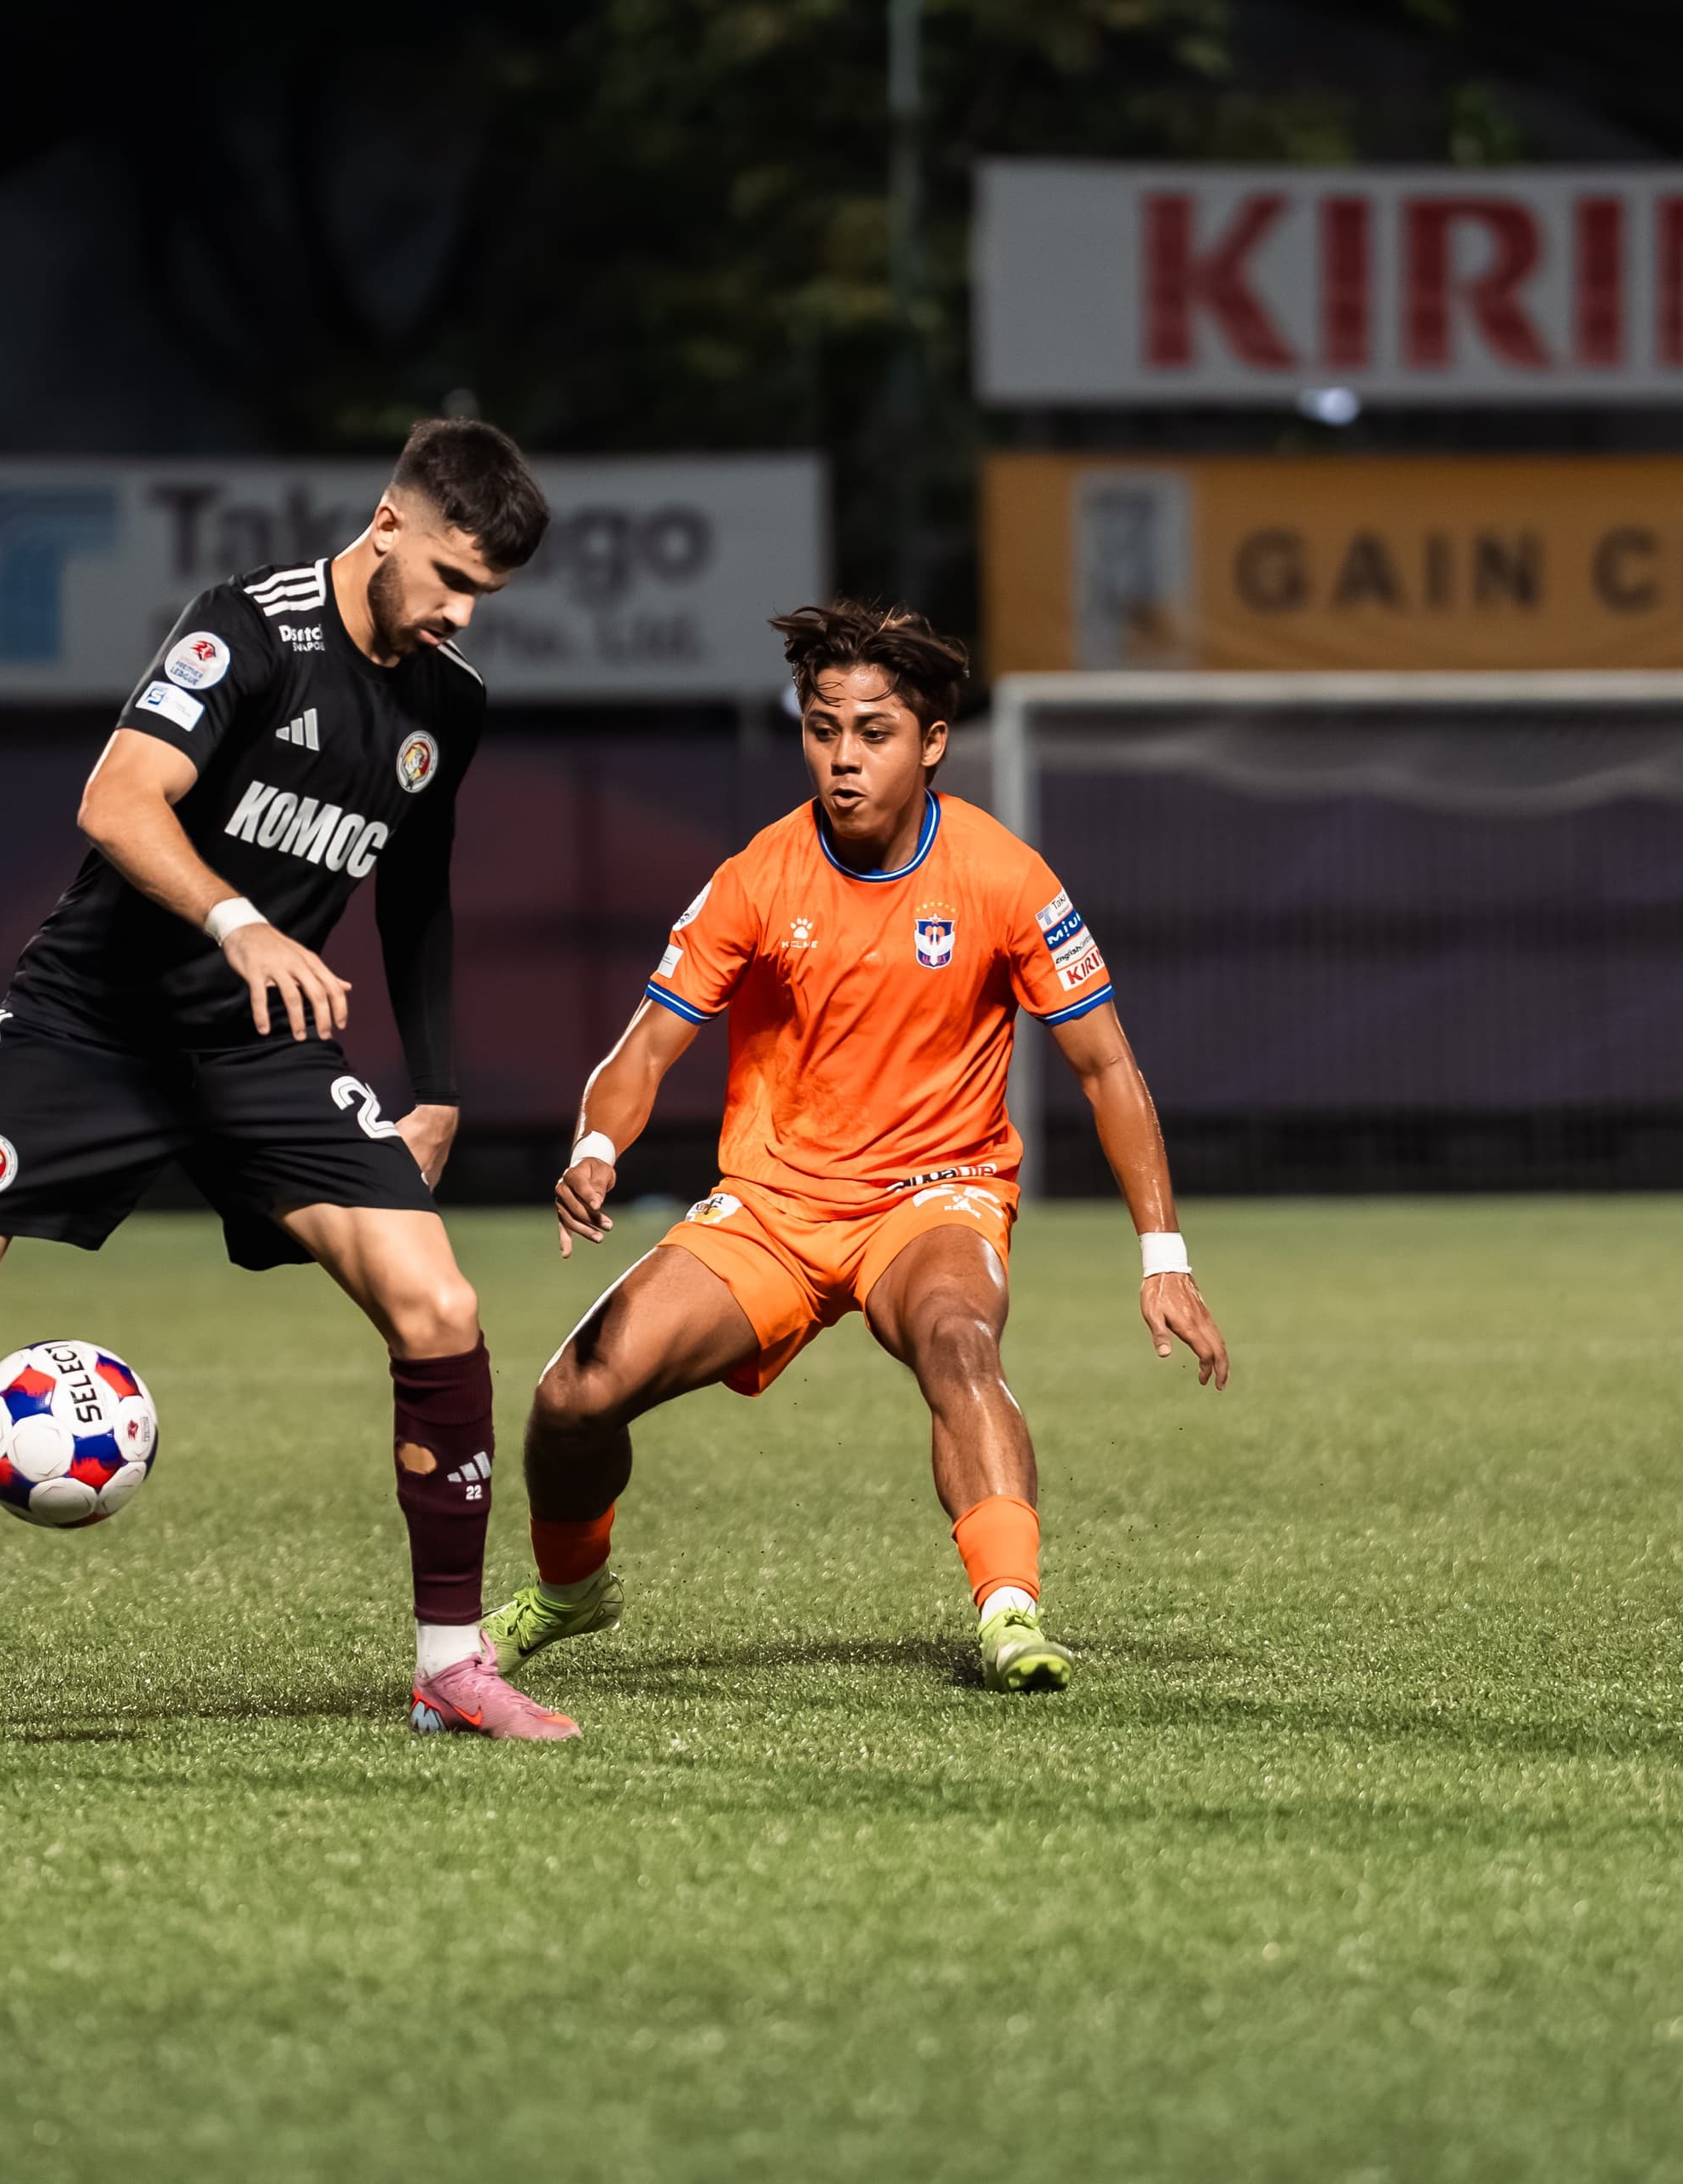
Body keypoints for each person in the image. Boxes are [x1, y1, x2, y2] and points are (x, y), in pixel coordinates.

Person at [0, 419, 582, 1752]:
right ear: (388, 523)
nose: (457, 612)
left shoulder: (449, 700)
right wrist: (239, 923)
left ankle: (450, 1663)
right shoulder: (246, 632)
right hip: (90, 1026)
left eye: (483, 598)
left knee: (438, 1302)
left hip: (261, 1050)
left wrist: (434, 1082)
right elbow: (117, 800)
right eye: (447, 576)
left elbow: (419, 893)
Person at [486, 599, 1232, 1698]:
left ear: (931, 744)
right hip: (776, 1207)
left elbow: (1106, 1068)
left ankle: (1010, 1611)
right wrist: (597, 1142)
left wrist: (1163, 1257)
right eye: (821, 727)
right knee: (571, 1397)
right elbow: (644, 1049)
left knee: (958, 1342)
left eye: (873, 733)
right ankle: (570, 1591)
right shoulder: (757, 876)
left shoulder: (1004, 875)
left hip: (938, 1193)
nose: (842, 758)